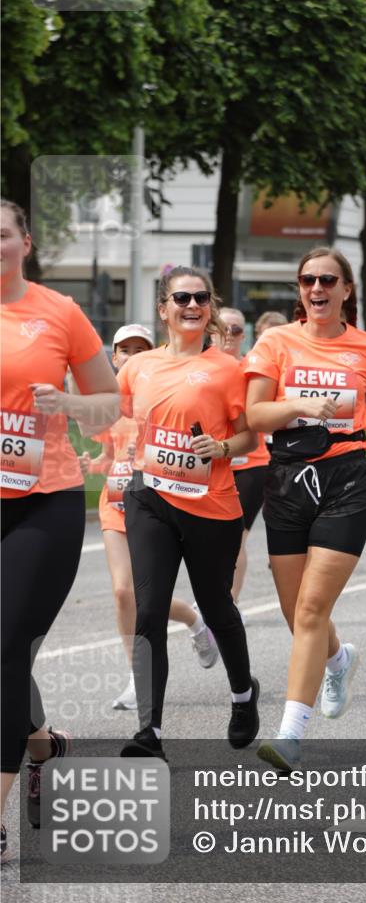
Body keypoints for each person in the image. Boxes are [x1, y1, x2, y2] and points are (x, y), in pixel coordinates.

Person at [245, 246, 366, 771]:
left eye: (328, 281)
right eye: (308, 280)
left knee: (311, 608)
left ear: (346, 289)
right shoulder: (276, 341)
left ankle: (290, 734)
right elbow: (256, 414)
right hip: (288, 477)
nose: (318, 289)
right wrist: (299, 405)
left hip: (348, 478)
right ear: (299, 289)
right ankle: (338, 660)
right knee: (296, 614)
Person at [1, 200, 119, 860]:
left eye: (2, 233)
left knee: (4, 648)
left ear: (26, 242)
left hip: (41, 499)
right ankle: (43, 743)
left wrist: (70, 402)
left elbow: (108, 408)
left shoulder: (57, 312)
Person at [117, 266, 259, 760]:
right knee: (150, 611)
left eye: (201, 298)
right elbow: (120, 424)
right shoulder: (137, 368)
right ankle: (149, 734)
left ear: (210, 307)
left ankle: (243, 696)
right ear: (164, 309)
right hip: (149, 499)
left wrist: (220, 446)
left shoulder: (228, 368)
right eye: (182, 297)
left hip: (211, 505)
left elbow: (250, 437)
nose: (192, 305)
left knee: (216, 605)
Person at [80, 324, 219, 713]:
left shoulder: (160, 395)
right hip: (115, 503)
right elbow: (109, 453)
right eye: (124, 350)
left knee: (146, 597)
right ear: (114, 357)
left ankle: (193, 620)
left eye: (139, 348)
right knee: (123, 593)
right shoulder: (110, 403)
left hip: (153, 507)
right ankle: (136, 677)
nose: (131, 355)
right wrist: (93, 465)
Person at [218, 308, 288, 606]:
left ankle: (229, 602)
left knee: (237, 537)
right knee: (215, 538)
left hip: (252, 463)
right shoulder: (202, 368)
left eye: (235, 330)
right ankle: (217, 597)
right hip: (215, 463)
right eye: (223, 329)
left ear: (244, 335)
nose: (229, 335)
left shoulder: (252, 367)